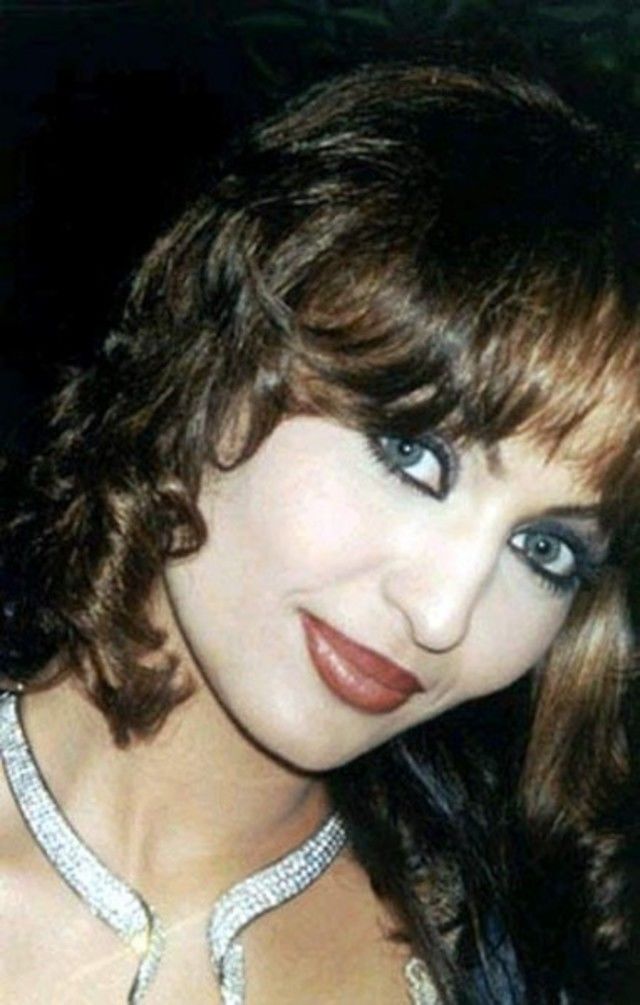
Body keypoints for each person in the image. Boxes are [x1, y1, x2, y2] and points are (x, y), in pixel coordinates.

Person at [0, 61, 639, 1004]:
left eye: (545, 549)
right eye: (412, 452)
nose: (441, 615)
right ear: (218, 350)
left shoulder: (511, 963)